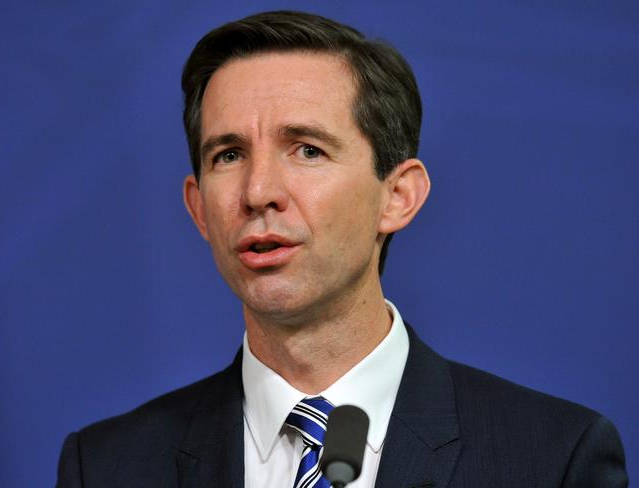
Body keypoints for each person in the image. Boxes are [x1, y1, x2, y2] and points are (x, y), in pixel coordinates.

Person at [56, 10, 628, 488]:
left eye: (306, 150)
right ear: (199, 208)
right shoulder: (106, 467)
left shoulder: (553, 459)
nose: (258, 193)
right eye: (227, 155)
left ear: (398, 196)